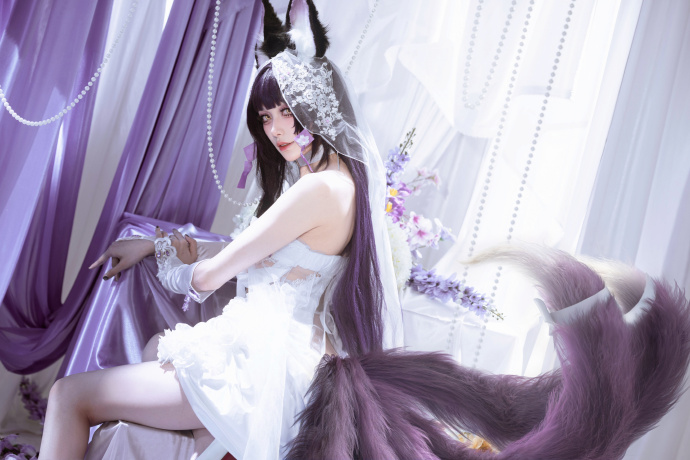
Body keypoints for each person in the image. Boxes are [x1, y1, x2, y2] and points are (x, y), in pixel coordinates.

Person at [39, 1, 690, 459]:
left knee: (69, 396)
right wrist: (156, 245)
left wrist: (173, 260)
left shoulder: (320, 189)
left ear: (319, 109)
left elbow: (210, 275)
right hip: (266, 362)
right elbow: (250, 254)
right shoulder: (331, 184)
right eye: (265, 118)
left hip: (254, 369)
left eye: (286, 113)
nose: (275, 130)